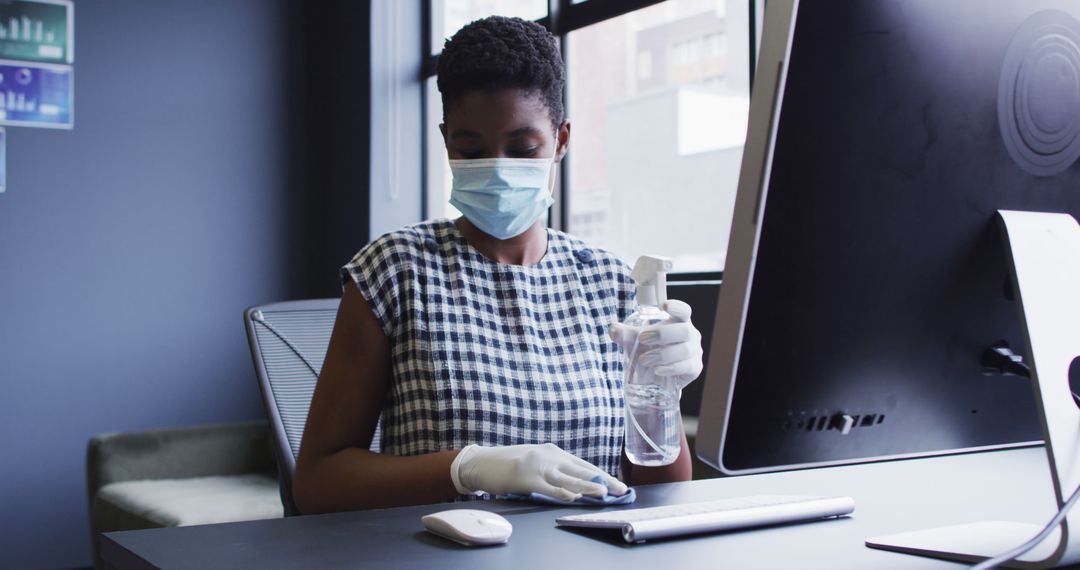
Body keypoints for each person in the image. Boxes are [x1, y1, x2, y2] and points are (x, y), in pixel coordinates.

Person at [292, 15, 705, 515]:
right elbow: (317, 483)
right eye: (471, 149)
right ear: (447, 141)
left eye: (523, 148)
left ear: (562, 139)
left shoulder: (611, 284)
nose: (498, 166)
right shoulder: (395, 272)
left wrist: (662, 397)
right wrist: (466, 469)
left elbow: (662, 491)